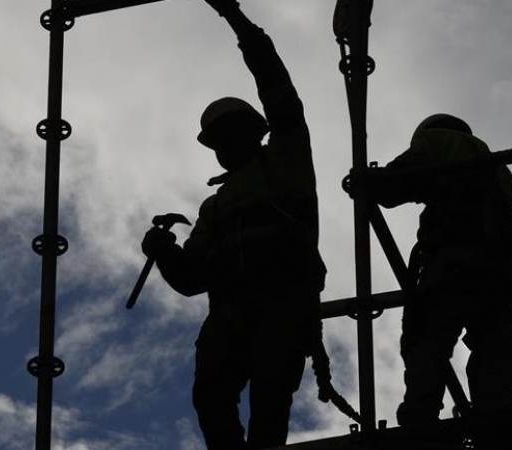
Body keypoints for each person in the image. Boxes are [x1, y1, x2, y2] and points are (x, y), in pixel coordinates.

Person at [140, 1, 326, 449]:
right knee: (211, 395)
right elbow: (190, 280)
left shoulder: (286, 161)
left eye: (231, 136)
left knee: (270, 395)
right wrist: (163, 250)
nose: (225, 147)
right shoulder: (215, 207)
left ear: (254, 131)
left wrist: (236, 19)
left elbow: (278, 89)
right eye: (218, 142)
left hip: (281, 301)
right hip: (228, 311)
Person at [357, 114, 512, 443]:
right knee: (494, 355)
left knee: (427, 345)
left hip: (453, 265)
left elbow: (401, 181)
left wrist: (370, 182)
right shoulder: (495, 165)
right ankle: (501, 428)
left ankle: (422, 426)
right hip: (500, 274)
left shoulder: (438, 141)